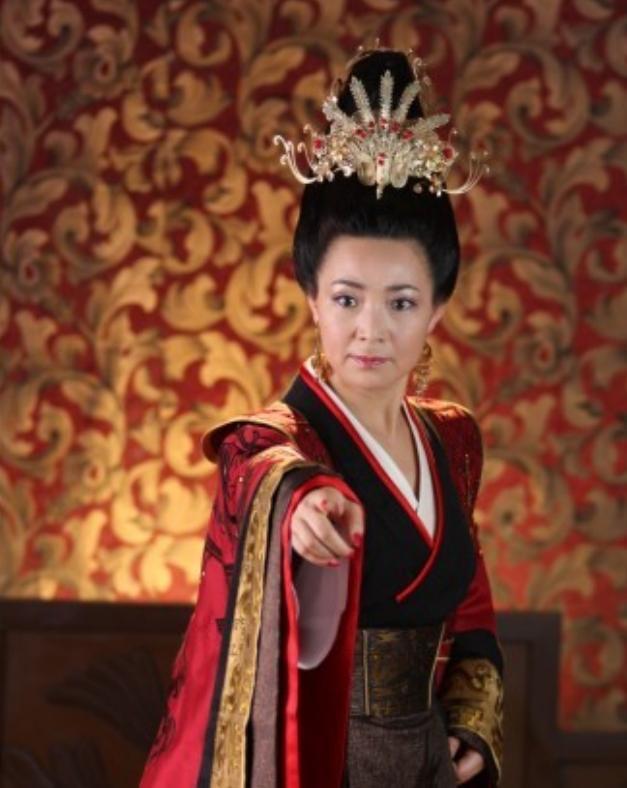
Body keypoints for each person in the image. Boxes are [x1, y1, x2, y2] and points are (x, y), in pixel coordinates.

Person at [140, 45, 503, 788]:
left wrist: (472, 720)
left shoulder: (452, 438)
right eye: (346, 298)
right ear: (311, 298)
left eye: (401, 301)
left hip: (431, 759)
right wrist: (298, 508)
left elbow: (469, 603)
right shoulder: (270, 446)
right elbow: (265, 469)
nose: (371, 329)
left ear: (437, 308)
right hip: (316, 760)